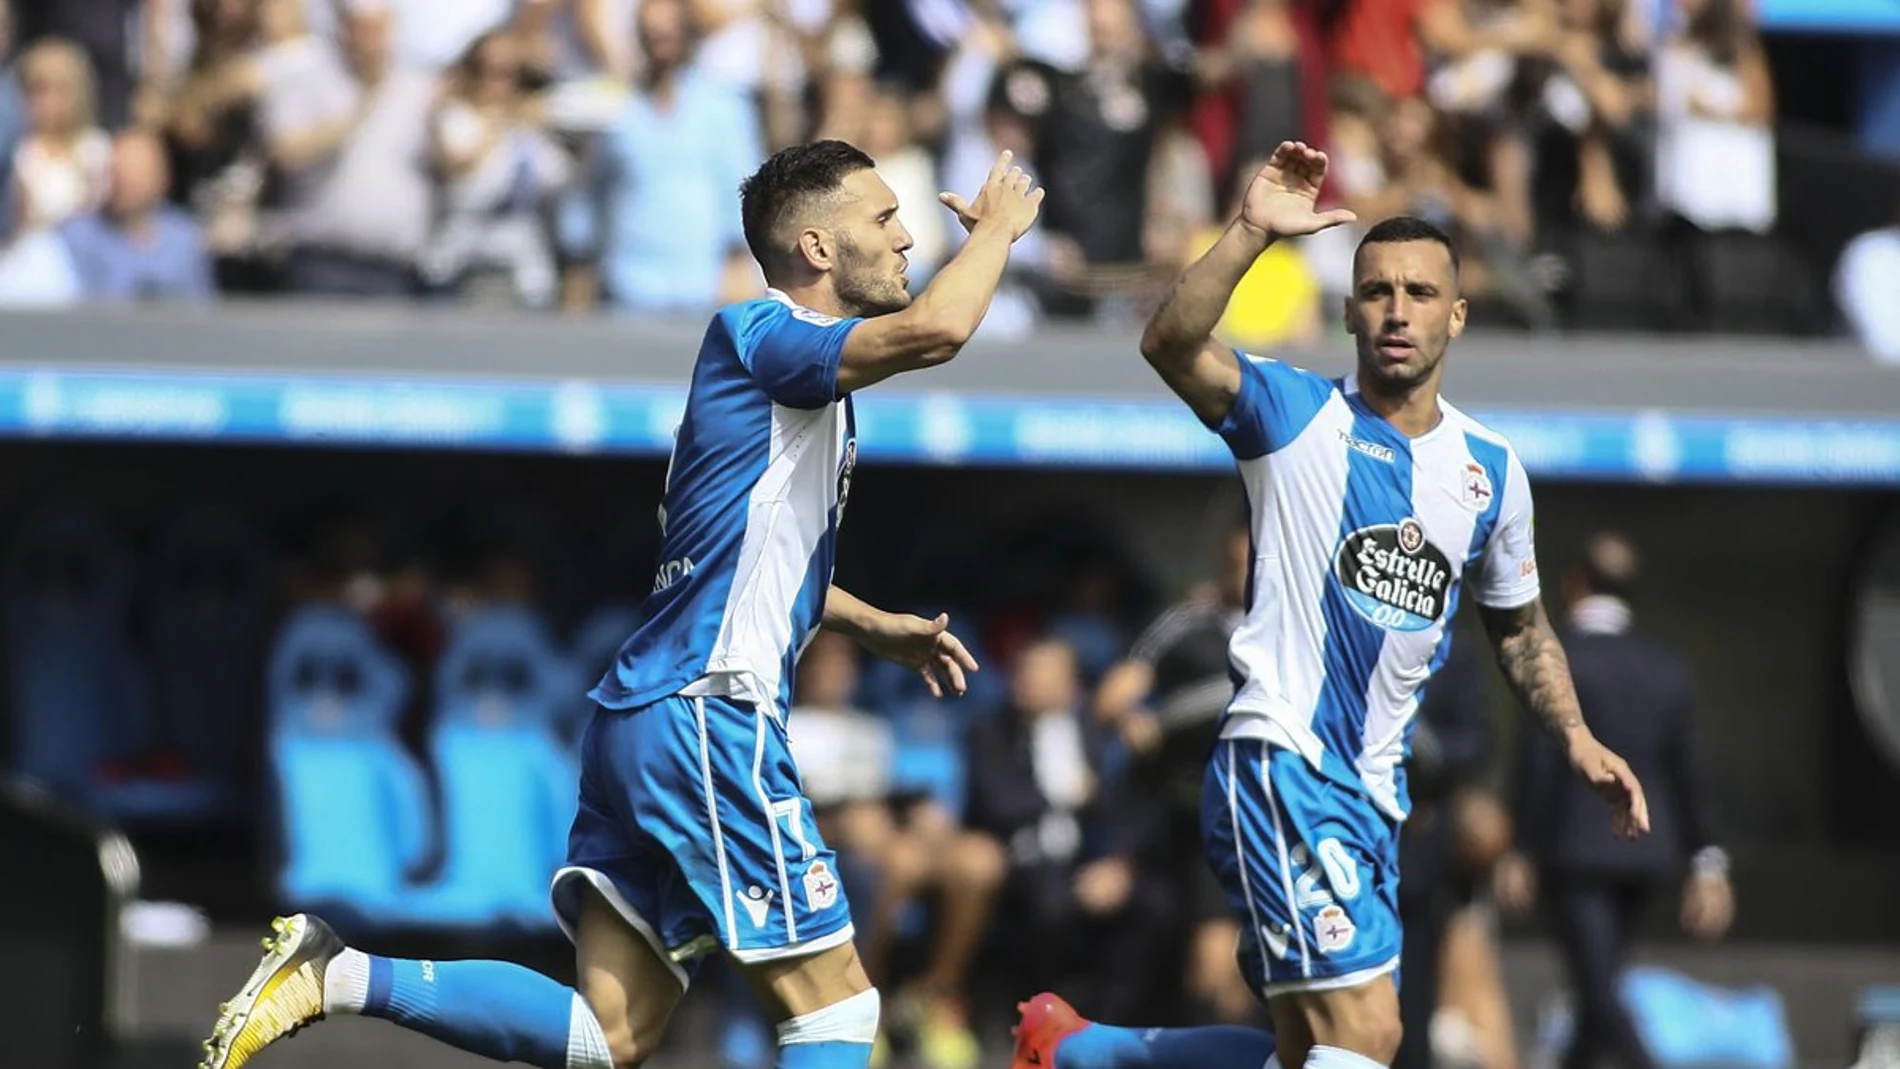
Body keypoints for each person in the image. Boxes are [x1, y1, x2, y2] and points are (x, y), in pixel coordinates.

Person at [198, 139, 1046, 1069]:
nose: (906, 238)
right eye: (883, 219)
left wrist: (874, 624)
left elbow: (744, 560)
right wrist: (999, 232)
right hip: (709, 712)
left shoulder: (774, 383)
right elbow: (938, 331)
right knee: (836, 1010)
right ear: (815, 246)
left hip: (647, 717)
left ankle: (337, 972)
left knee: (607, 1036)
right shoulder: (763, 334)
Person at [1008, 141, 1650, 1069]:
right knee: (1370, 1032)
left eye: (1420, 292)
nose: (1397, 310)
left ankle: (1080, 1050)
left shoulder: (1493, 473)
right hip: (1284, 759)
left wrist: (1579, 738)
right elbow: (1169, 344)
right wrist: (1250, 233)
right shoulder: (1293, 414)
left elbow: (1520, 627)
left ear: (1458, 314)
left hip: (1375, 796)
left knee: (1311, 1046)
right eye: (1377, 290)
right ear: (1349, 310)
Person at [1493, 531, 1733, 1069]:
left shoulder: (1559, 664)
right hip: (1646, 851)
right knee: (1595, 986)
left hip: (1575, 852)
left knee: (1598, 993)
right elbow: (1689, 772)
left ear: (1574, 583)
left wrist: (1521, 848)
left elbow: (1538, 763)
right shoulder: (1666, 666)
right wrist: (1707, 859)